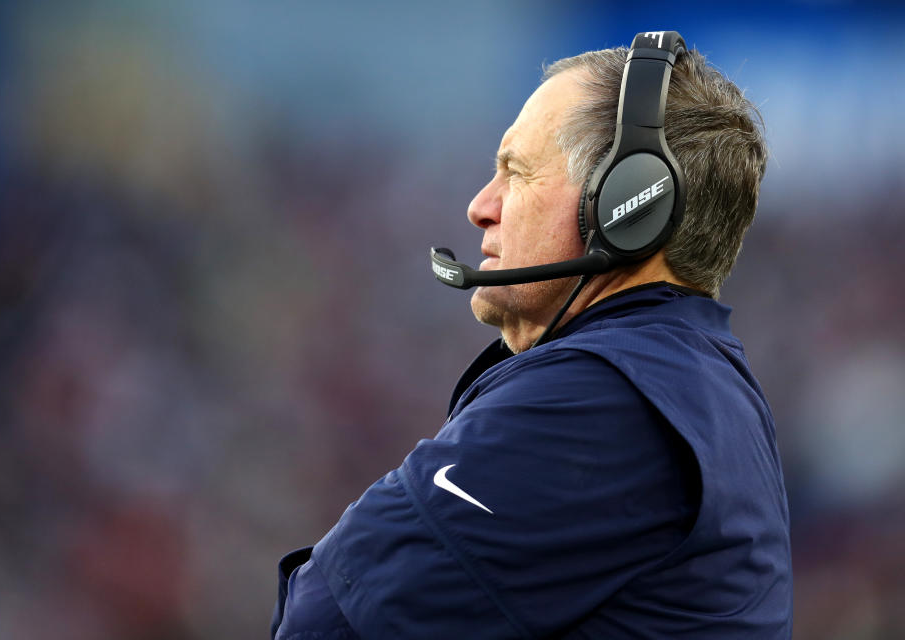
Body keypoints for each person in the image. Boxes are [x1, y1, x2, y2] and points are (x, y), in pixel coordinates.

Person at [271, 32, 792, 639]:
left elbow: (324, 622)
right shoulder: (695, 384)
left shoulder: (597, 402)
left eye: (515, 172)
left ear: (627, 205)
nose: (480, 206)